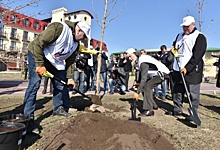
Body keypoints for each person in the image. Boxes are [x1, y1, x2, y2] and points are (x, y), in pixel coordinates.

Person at [23, 20, 91, 134]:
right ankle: (28, 118)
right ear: (79, 30)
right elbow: (39, 43)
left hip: (54, 60)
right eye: (83, 36)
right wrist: (39, 64)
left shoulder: (76, 44)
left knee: (60, 83)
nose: (83, 39)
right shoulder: (59, 28)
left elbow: (70, 62)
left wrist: (69, 78)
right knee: (34, 84)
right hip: (37, 53)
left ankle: (58, 108)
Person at [166, 16, 207, 121]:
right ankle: (177, 109)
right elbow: (175, 47)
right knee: (177, 91)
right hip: (177, 68)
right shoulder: (179, 36)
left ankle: (193, 112)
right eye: (184, 26)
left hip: (193, 70)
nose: (185, 29)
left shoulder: (200, 37)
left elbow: (197, 56)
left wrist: (187, 68)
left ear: (193, 25)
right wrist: (173, 50)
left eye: (187, 26)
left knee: (193, 93)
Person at [126, 48, 170, 116]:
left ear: (134, 54)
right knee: (145, 87)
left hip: (162, 73)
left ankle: (149, 110)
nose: (129, 58)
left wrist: (137, 92)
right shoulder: (141, 59)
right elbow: (143, 76)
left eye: (129, 56)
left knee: (147, 86)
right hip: (157, 74)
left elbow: (144, 78)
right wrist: (139, 85)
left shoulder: (143, 61)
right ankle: (153, 105)